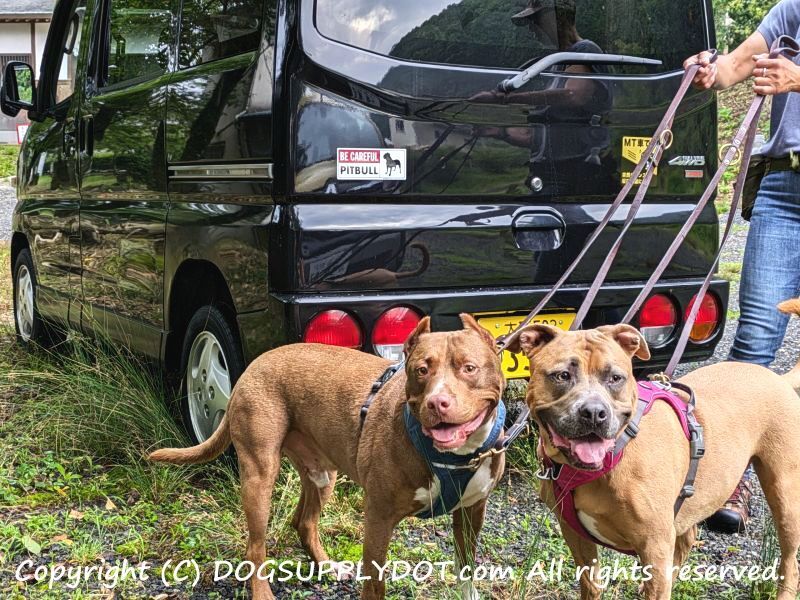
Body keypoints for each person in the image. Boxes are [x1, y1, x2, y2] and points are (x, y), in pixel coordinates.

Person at [684, 0, 800, 534]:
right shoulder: (790, 13)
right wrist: (712, 70)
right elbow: (737, 64)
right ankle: (728, 480)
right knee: (756, 333)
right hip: (783, 187)